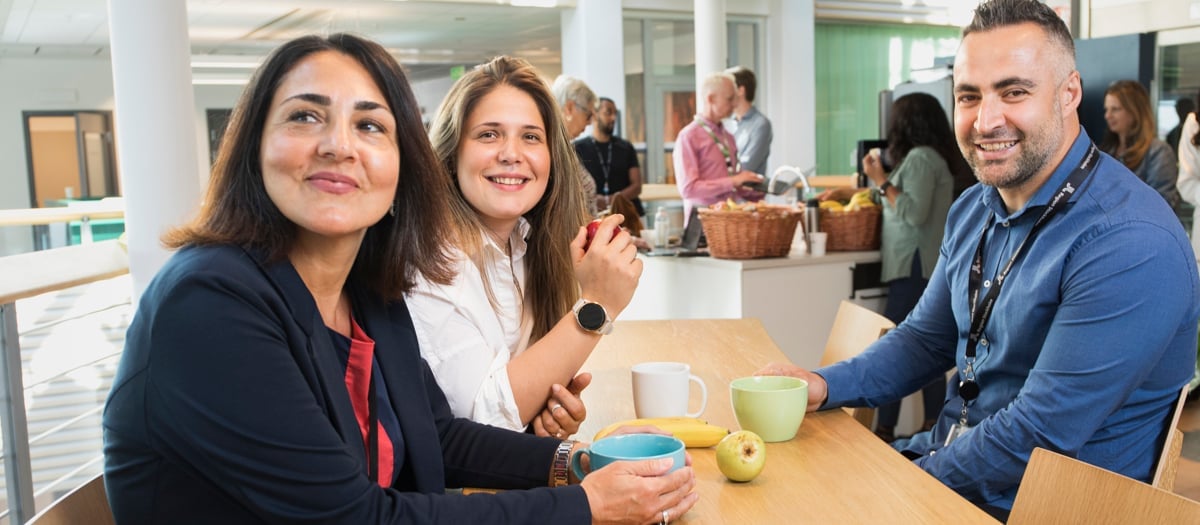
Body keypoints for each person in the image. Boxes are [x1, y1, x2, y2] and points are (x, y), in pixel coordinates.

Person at [102, 34, 696, 524]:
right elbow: (355, 518)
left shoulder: (367, 290)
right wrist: (584, 506)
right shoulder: (209, 303)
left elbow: (442, 436)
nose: (338, 145)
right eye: (306, 116)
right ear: (253, 148)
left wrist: (575, 460)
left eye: (370, 126)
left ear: (402, 168)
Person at [757, 0, 1199, 517]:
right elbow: (926, 340)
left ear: (1069, 93)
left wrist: (891, 483)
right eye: (969, 96)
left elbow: (1036, 436)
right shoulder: (975, 207)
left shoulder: (1130, 241)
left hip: (1035, 507)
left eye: (1014, 92)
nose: (986, 120)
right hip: (954, 470)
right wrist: (826, 384)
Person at [411, 57, 642, 440]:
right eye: (489, 134)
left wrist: (547, 413)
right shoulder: (430, 262)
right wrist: (596, 306)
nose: (511, 154)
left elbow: (515, 408)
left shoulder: (526, 245)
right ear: (452, 155)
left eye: (531, 137)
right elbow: (479, 427)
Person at [821, 92, 969, 443]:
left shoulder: (920, 158)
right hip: (915, 263)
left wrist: (880, 178)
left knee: (906, 346)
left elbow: (913, 212)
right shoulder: (928, 158)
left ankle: (891, 427)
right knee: (914, 348)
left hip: (914, 262)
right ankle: (912, 424)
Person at [673, 72, 764, 221]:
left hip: (728, 222)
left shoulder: (728, 136)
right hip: (703, 225)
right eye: (729, 99)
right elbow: (689, 189)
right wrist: (734, 181)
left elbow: (730, 186)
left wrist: (757, 188)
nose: (735, 104)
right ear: (711, 99)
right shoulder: (688, 137)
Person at [1100, 79, 1180, 209]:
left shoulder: (1158, 152)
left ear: (1134, 111)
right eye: (1106, 109)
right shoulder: (1105, 151)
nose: (1107, 115)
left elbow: (1162, 204)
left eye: (1115, 109)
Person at [575, 97, 644, 216]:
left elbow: (637, 186)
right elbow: (573, 188)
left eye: (615, 114)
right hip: (594, 216)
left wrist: (611, 200)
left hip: (629, 214)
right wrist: (593, 199)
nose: (613, 118)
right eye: (608, 112)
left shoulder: (626, 147)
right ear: (594, 114)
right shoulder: (577, 148)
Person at [552, 75, 601, 217]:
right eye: (588, 115)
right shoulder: (552, 150)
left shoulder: (564, 148)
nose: (591, 122)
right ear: (569, 108)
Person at [724, 65, 773, 177]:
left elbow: (747, 167)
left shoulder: (760, 124)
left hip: (748, 193)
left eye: (728, 89)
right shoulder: (726, 124)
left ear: (740, 91)